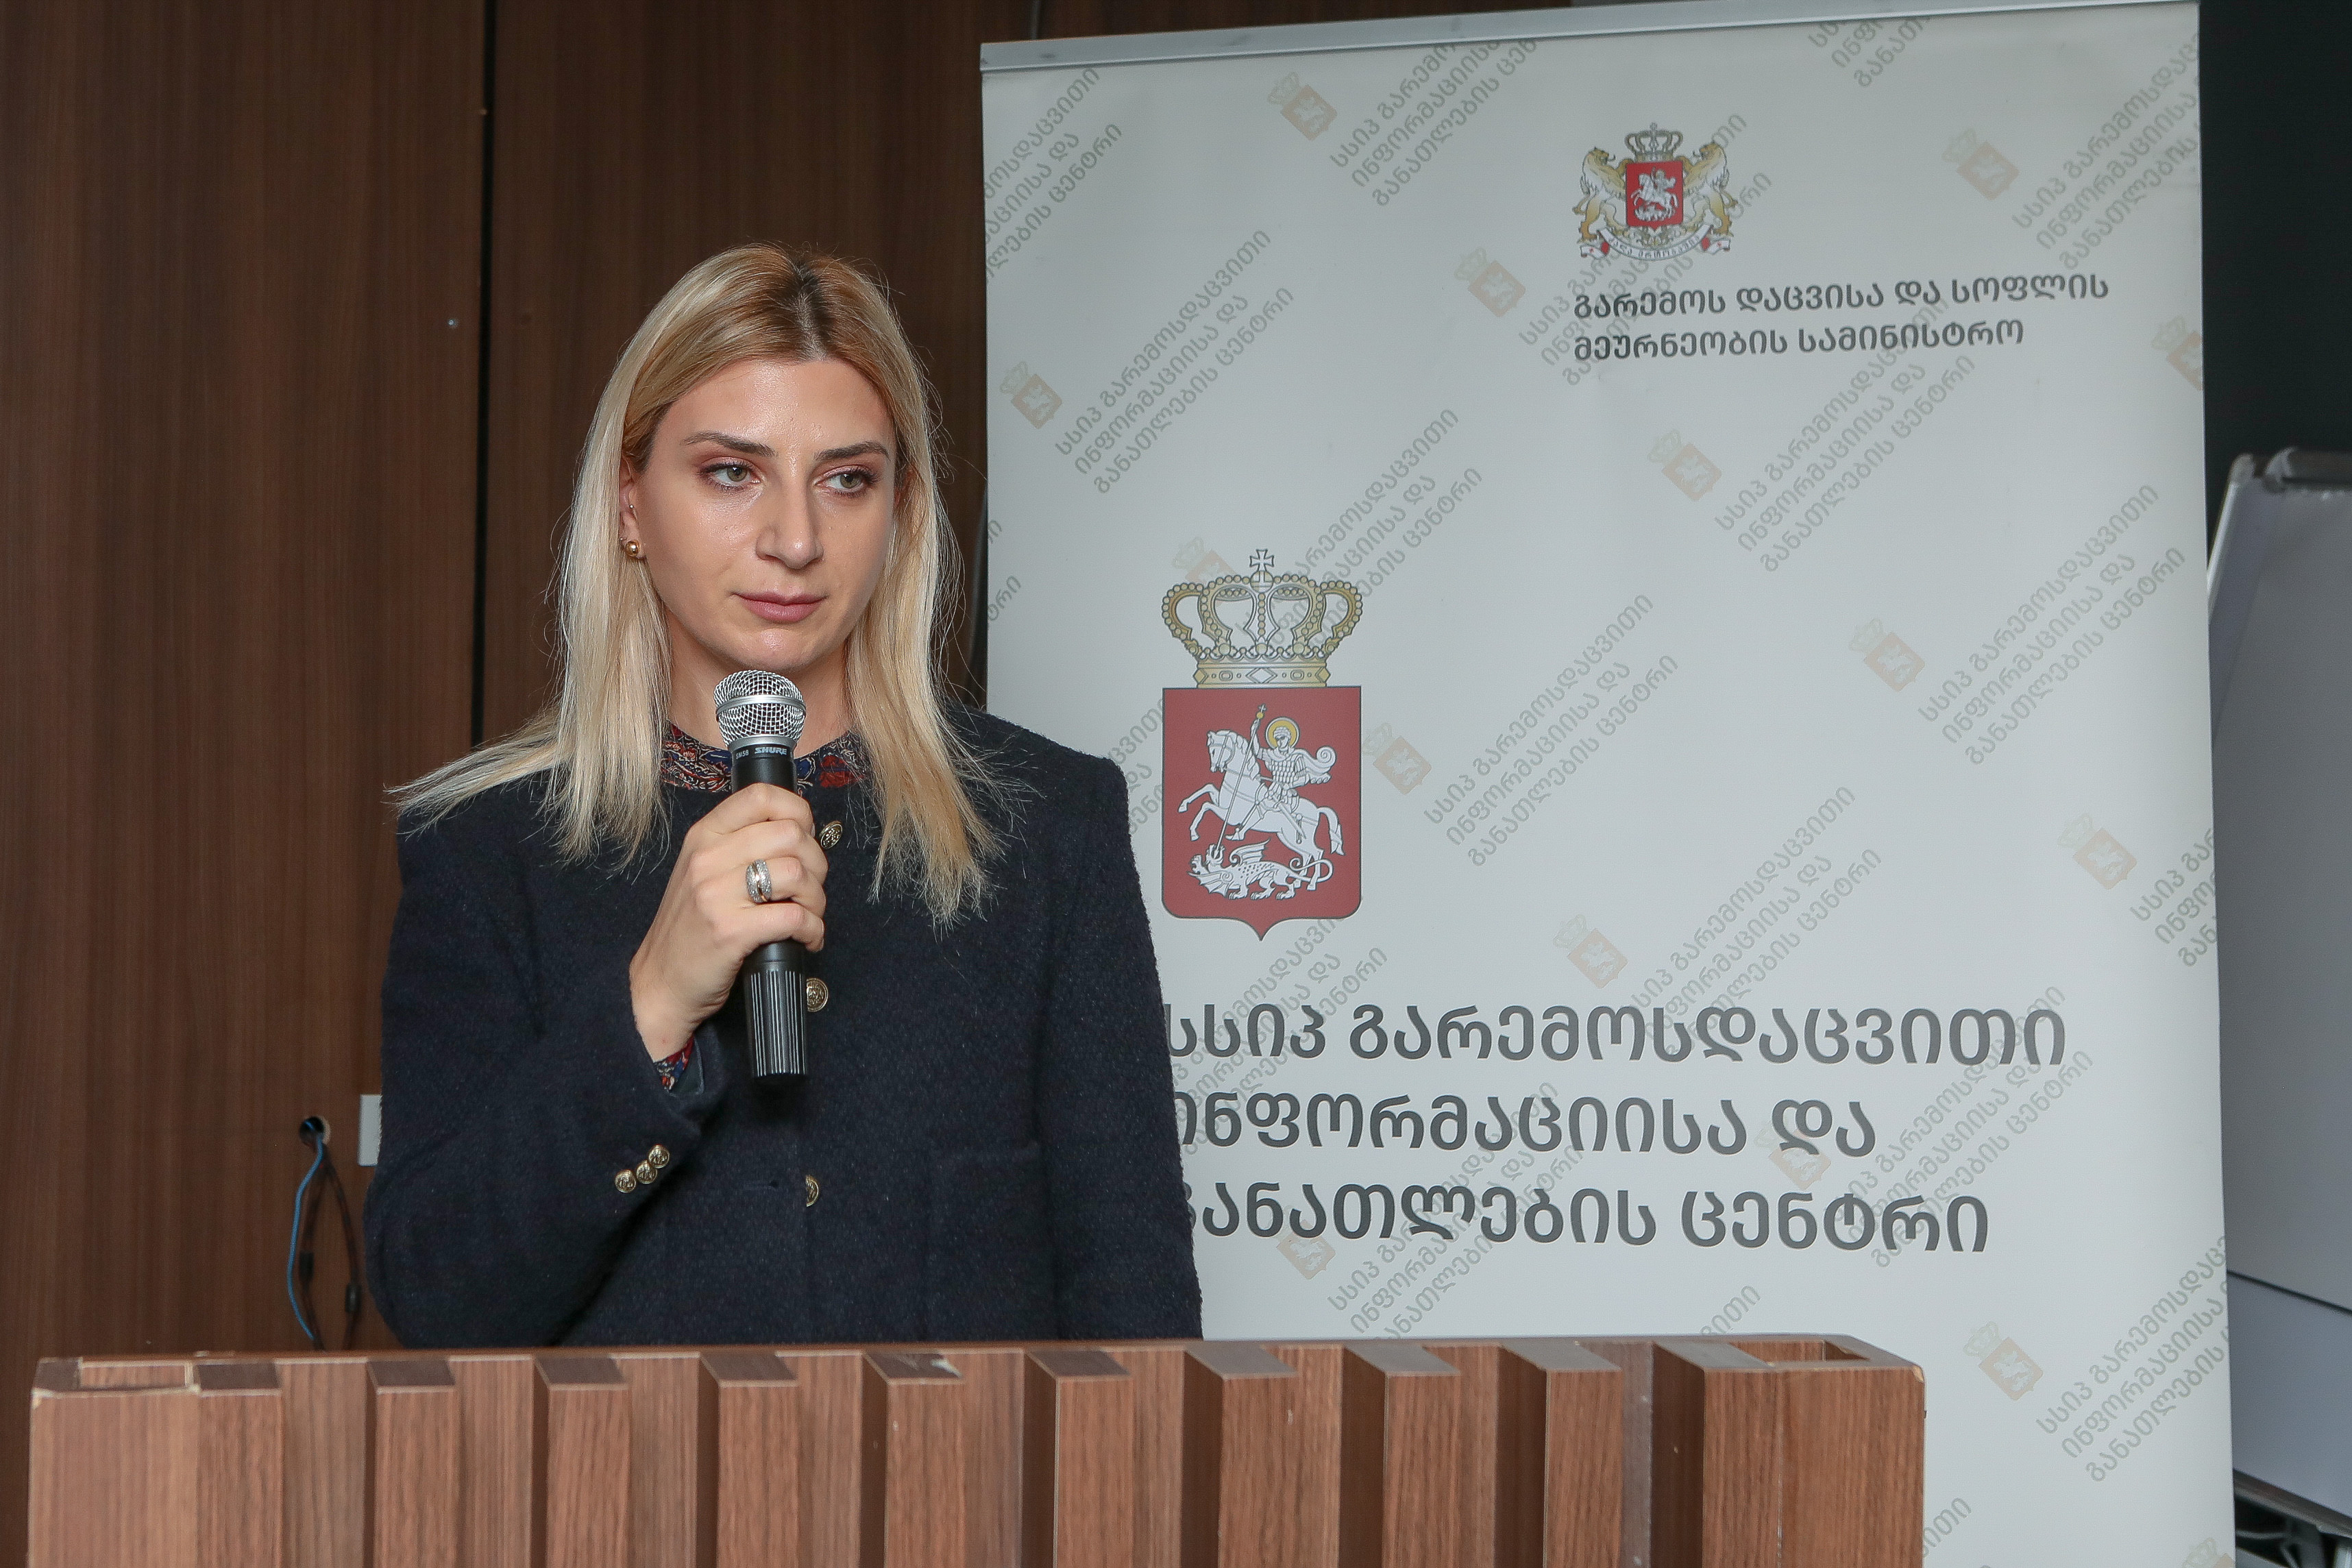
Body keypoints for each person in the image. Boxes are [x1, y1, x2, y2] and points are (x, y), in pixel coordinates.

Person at [365, 245, 1200, 1348]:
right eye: (732, 472)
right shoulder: (485, 851)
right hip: (621, 1471)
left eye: (847, 479)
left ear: (901, 512)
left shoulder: (1048, 828)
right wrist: (650, 1008)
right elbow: (436, 1300)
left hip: (957, 1472)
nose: (796, 540)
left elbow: (1137, 1315)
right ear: (629, 504)